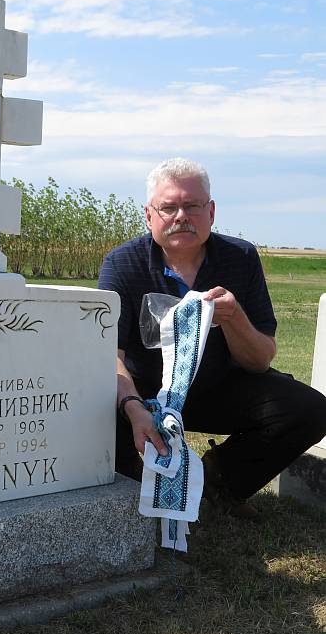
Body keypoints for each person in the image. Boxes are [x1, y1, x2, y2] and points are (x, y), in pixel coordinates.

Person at [98, 157, 326, 519]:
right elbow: (109, 353)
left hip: (217, 386)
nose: (181, 217)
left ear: (211, 211)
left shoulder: (241, 257)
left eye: (192, 206)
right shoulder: (122, 264)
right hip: (144, 395)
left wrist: (235, 318)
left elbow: (260, 359)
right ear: (148, 215)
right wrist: (132, 406)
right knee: (94, 408)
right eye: (168, 207)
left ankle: (220, 481)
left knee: (308, 409)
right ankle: (133, 485)